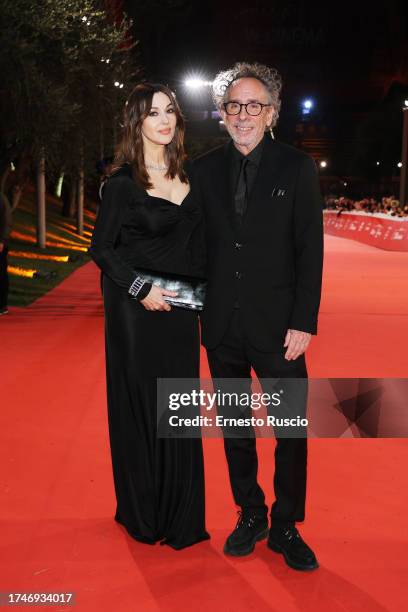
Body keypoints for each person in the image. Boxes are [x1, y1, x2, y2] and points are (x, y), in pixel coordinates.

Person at [193, 62, 323, 570]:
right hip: (222, 326)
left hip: (279, 329)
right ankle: (250, 512)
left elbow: (309, 249)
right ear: (222, 113)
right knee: (234, 428)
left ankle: (287, 523)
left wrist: (304, 320)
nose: (243, 114)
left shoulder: (296, 168)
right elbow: (192, 247)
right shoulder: (202, 170)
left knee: (290, 429)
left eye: (254, 105)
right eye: (234, 105)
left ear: (271, 113)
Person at [90, 83, 209, 549]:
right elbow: (101, 248)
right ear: (135, 122)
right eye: (152, 113)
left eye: (170, 112)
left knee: (177, 410)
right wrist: (140, 288)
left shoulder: (191, 178)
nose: (164, 120)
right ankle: (143, 513)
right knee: (142, 407)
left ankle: (180, 517)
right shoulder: (122, 184)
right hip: (136, 312)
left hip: (181, 310)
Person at [0, 192, 12, 315]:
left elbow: (6, 220)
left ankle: (2, 305)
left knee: (1, 273)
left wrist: (2, 240)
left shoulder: (2, 199)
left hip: (1, 243)